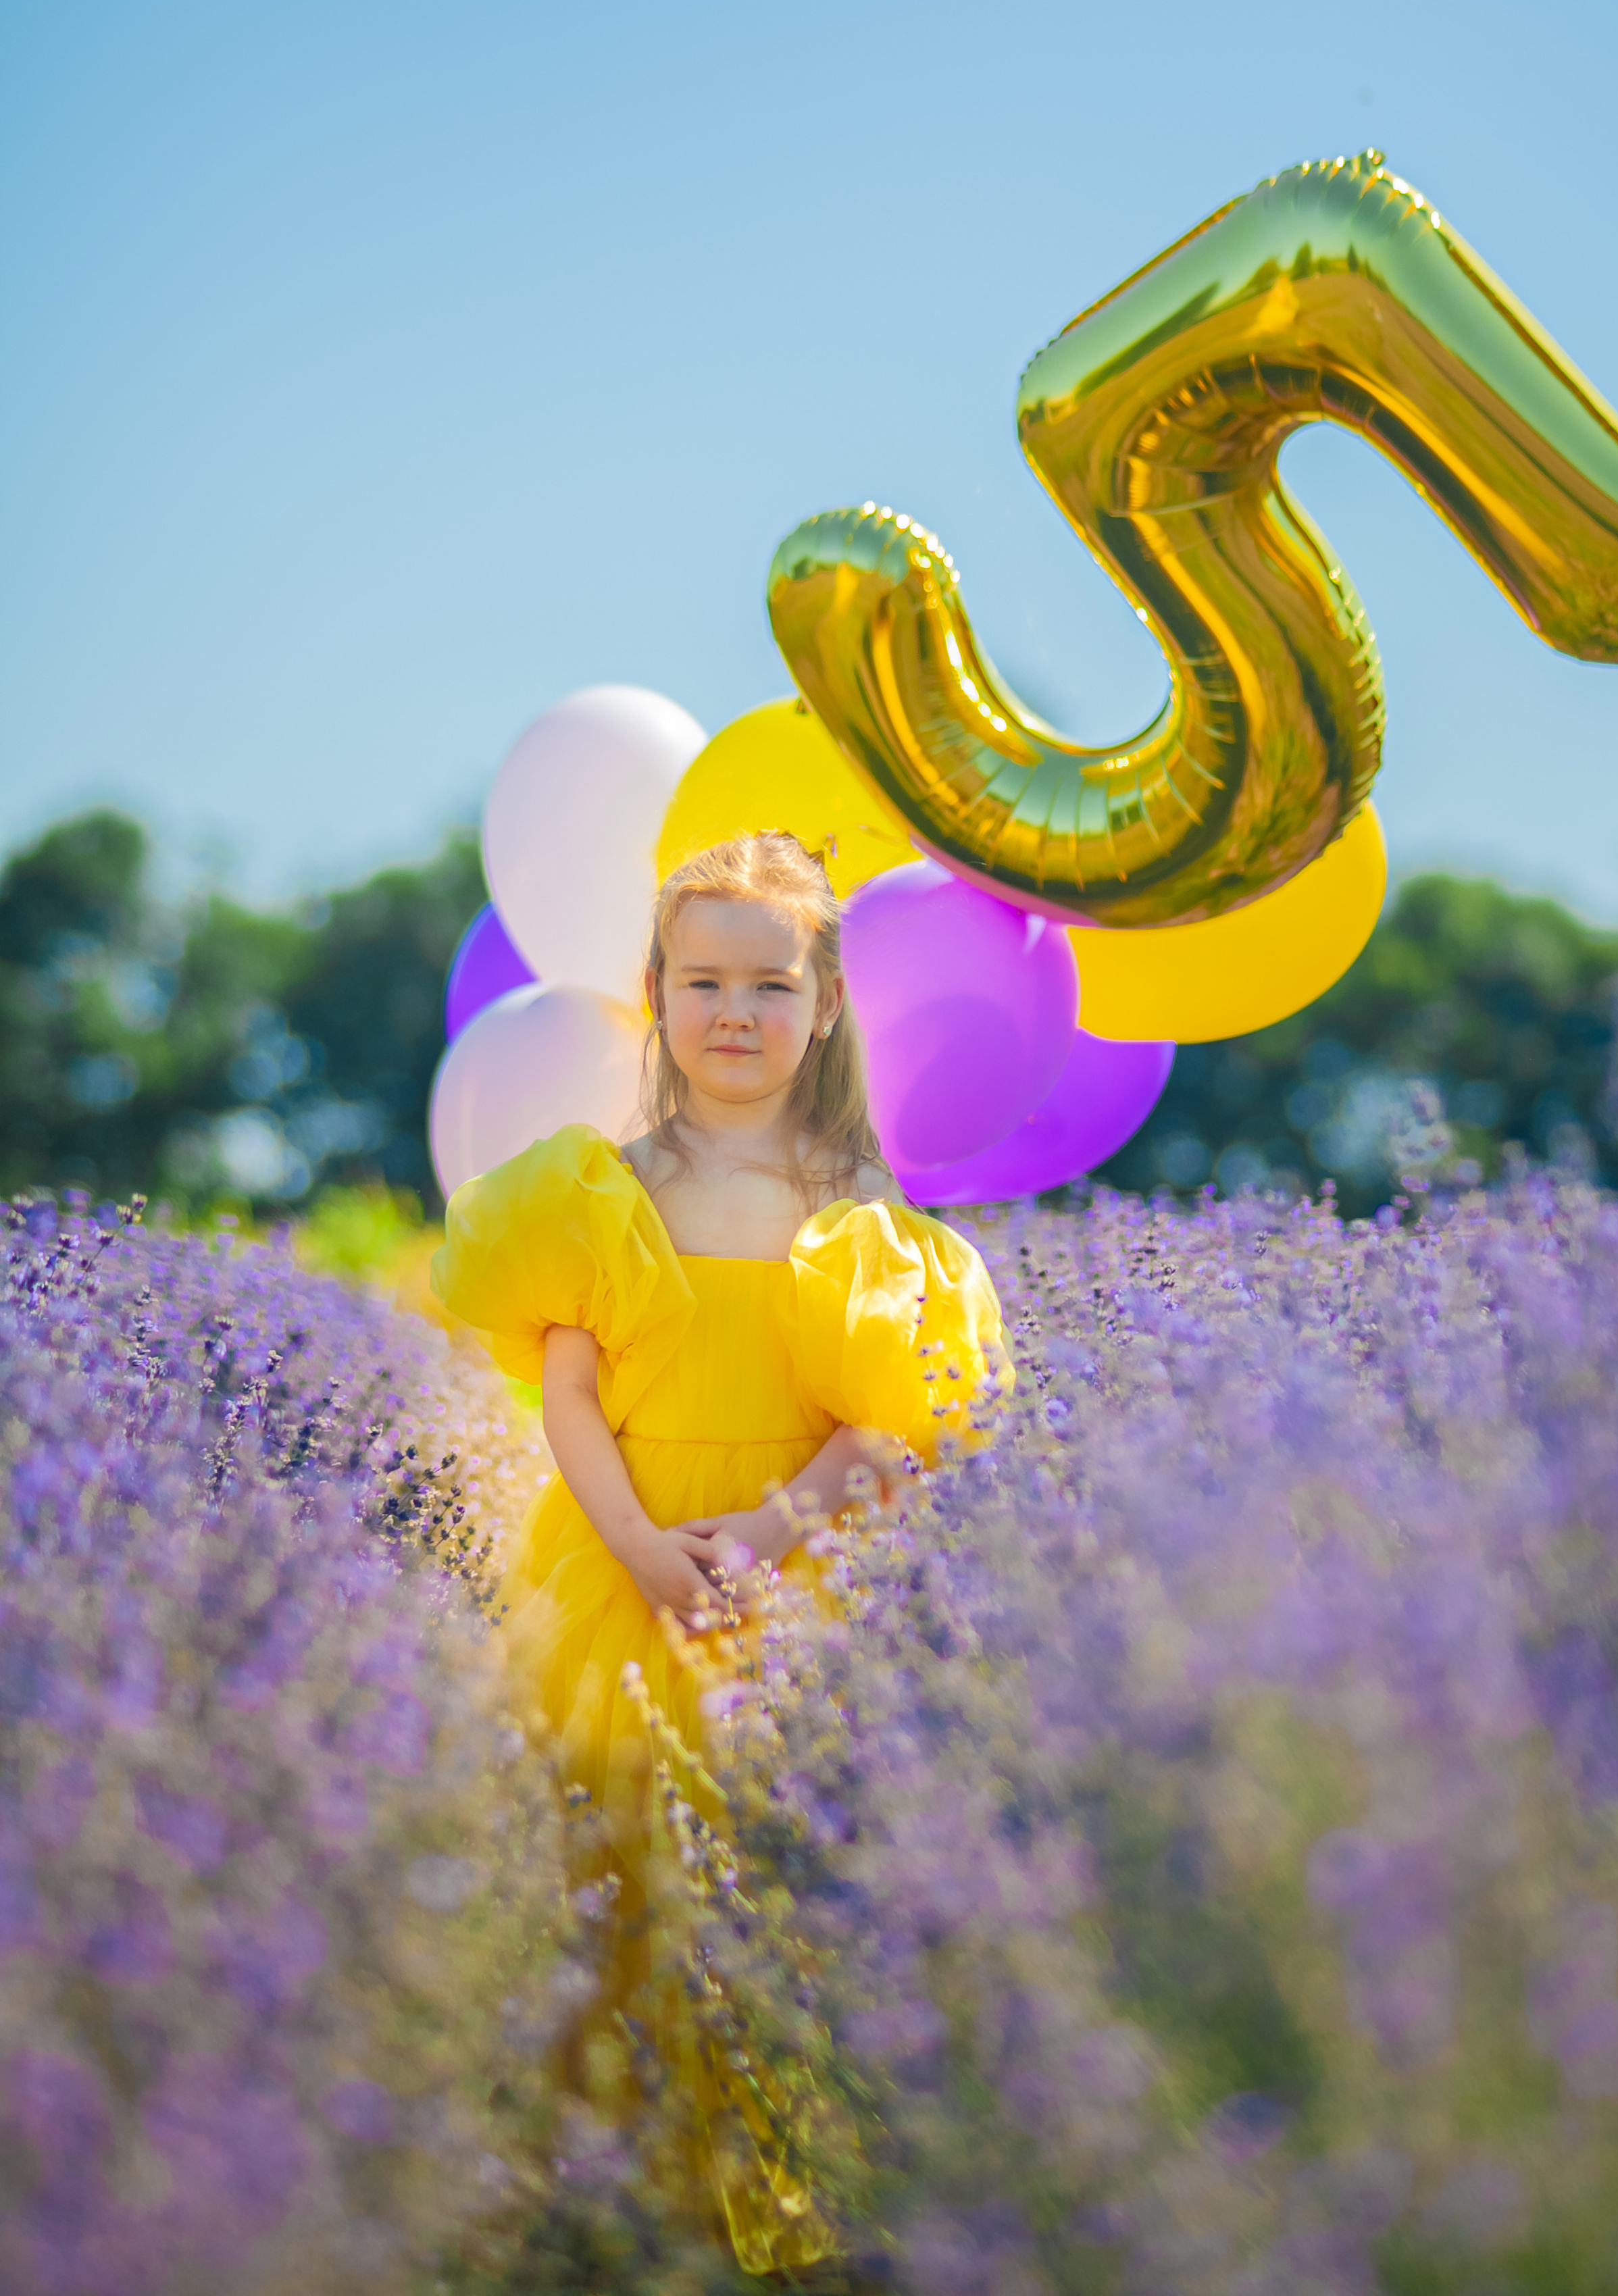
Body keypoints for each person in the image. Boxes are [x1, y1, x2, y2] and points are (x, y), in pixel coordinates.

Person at [432, 830, 1010, 2272]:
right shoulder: (601, 1185)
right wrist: (638, 1546)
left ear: (821, 1008)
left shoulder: (857, 1210)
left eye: (768, 984)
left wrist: (756, 1538)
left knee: (764, 1893)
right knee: (608, 1871)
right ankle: (598, 2197)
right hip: (619, 1565)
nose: (733, 1014)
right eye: (701, 983)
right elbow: (567, 1391)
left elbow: (886, 1430)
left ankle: (768, 2203)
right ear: (656, 997)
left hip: (785, 1581)